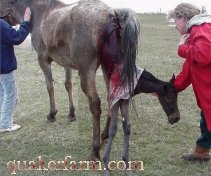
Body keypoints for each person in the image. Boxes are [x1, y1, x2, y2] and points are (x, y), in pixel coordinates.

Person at [169, 3, 211, 162]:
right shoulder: (196, 32)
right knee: (206, 120)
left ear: (183, 17)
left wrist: (182, 49)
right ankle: (202, 152)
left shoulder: (202, 29)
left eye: (175, 21)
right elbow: (190, 68)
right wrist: (171, 88)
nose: (175, 26)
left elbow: (205, 54)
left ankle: (202, 152)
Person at [0, 8, 31, 133]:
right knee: (12, 96)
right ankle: (5, 124)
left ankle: (2, 120)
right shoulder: (0, 24)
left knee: (2, 95)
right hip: (4, 67)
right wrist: (26, 22)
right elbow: (16, 38)